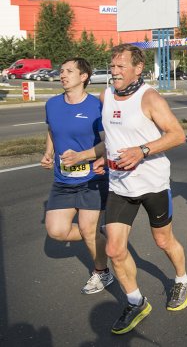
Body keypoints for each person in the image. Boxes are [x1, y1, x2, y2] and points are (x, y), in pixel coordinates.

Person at [101, 44, 187, 335]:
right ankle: (135, 301)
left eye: (120, 66)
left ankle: (182, 280)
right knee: (114, 248)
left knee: (163, 242)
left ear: (137, 68)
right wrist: (100, 159)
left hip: (152, 183)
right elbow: (111, 136)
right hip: (119, 185)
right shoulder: (105, 95)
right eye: (112, 66)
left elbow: (178, 135)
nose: (114, 71)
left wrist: (142, 150)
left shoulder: (149, 97)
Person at [41, 57, 114, 295]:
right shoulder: (52, 104)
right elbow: (52, 130)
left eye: (69, 71)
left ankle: (102, 272)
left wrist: (83, 156)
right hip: (63, 180)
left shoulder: (96, 106)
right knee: (57, 231)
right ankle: (97, 236)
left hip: (93, 178)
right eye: (61, 71)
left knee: (86, 228)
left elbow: (109, 143)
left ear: (83, 77)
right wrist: (48, 152)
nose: (63, 75)